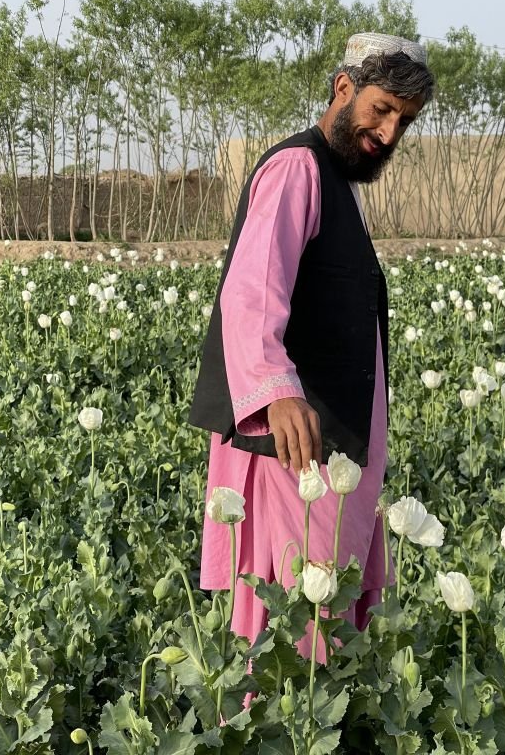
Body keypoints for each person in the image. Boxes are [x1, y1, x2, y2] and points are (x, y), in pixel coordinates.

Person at [188, 33, 435, 657]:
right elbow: (250, 292)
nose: (388, 132)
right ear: (343, 88)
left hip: (333, 445)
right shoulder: (298, 168)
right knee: (294, 618)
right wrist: (274, 390)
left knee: (324, 610)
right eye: (381, 109)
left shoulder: (335, 180)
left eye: (402, 121)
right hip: (294, 450)